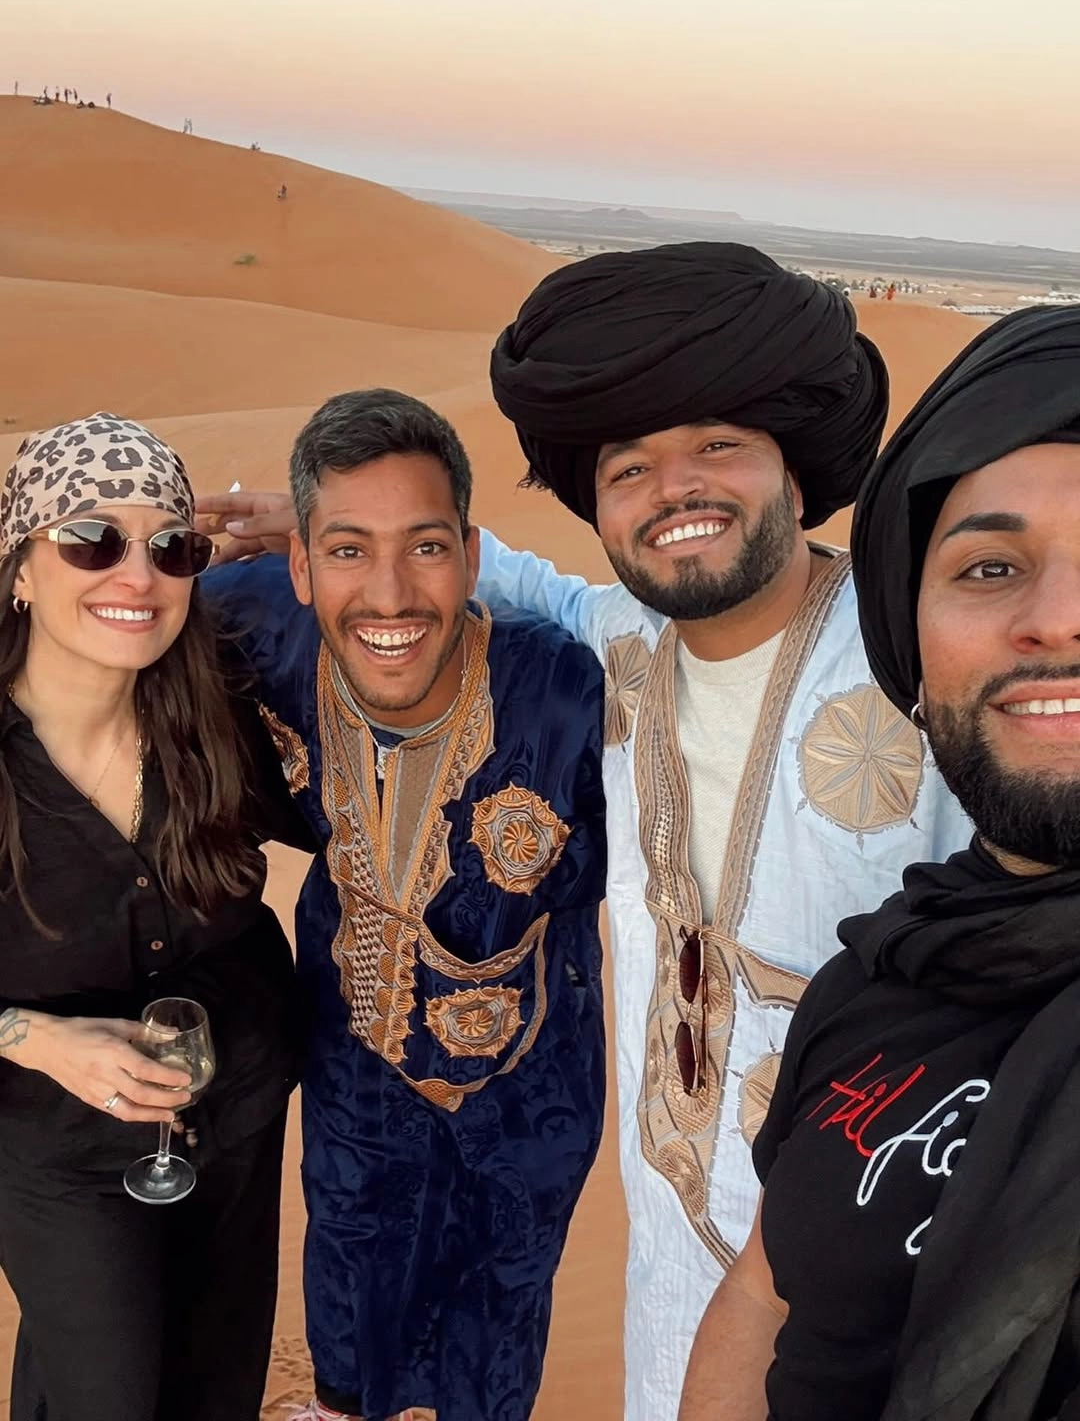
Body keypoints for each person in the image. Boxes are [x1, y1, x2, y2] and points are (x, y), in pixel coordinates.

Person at [204, 243, 973, 1421]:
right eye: (630, 467)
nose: (676, 491)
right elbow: (513, 584)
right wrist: (320, 530)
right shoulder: (619, 642)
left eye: (718, 446)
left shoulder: (919, 660)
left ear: (791, 462)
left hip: (877, 1223)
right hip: (670, 1229)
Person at [679, 304, 1080, 1421]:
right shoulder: (874, 981)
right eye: (991, 568)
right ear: (915, 638)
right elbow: (765, 1297)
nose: (1057, 619)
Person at [199, 389, 608, 1421]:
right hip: (352, 1069)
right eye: (345, 550)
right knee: (347, 1288)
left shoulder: (568, 694)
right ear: (298, 565)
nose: (389, 594)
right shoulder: (258, 633)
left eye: (425, 548)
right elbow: (89, 636)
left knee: (498, 1328)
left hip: (530, 1088)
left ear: (473, 556)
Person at [0, 414, 313, 1420]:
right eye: (90, 540)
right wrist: (42, 1039)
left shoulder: (222, 713)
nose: (135, 576)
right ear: (20, 571)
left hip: (238, 1118)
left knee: (214, 1392)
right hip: (57, 1150)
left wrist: (326, 538)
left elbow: (395, 723)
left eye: (171, 548)